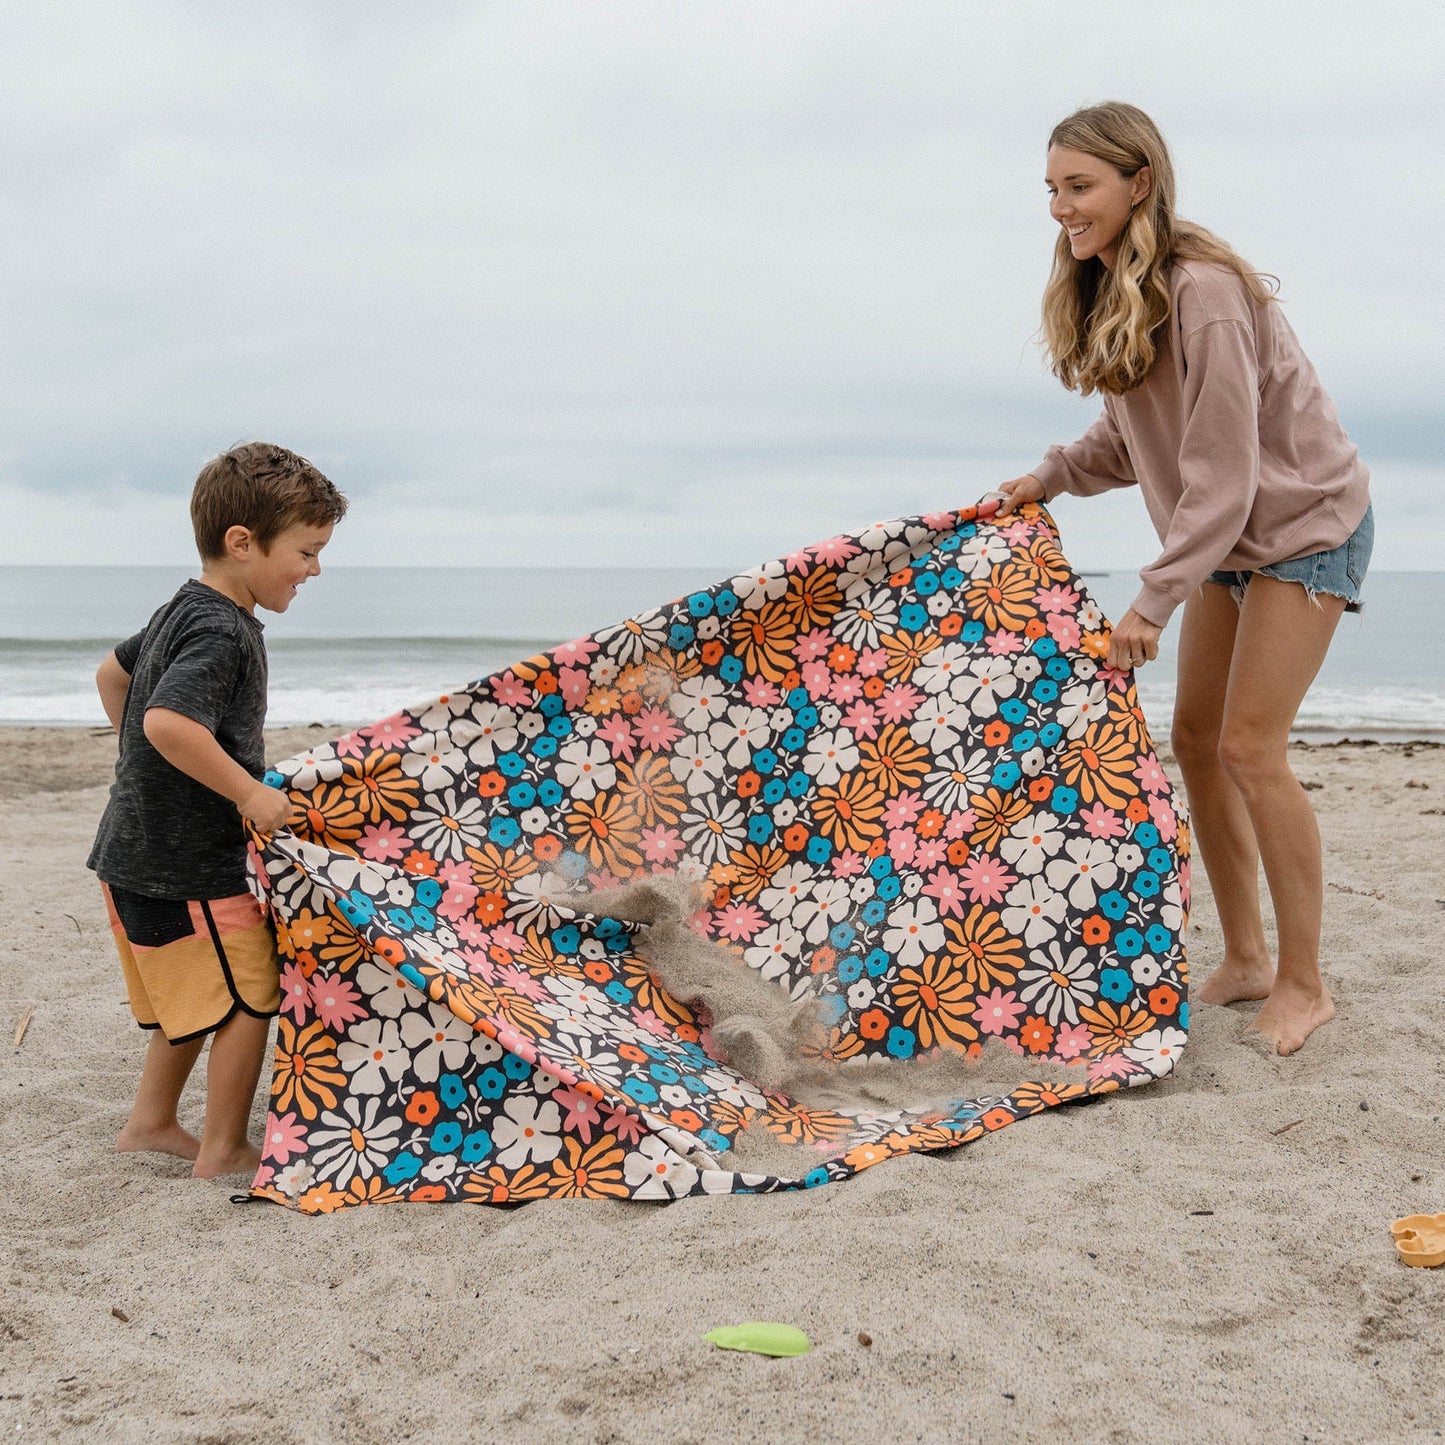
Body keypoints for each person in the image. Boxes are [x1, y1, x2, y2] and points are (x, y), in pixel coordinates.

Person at [991, 102, 1371, 1056]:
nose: (1059, 208)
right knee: (1194, 736)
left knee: (1249, 745)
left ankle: (1302, 981)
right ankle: (1244, 957)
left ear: (1139, 184)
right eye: (1051, 188)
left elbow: (1226, 471)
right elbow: (1134, 433)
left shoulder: (1201, 289)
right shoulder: (1119, 283)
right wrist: (1047, 478)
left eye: (1078, 187)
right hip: (1227, 541)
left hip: (1302, 527)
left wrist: (1150, 600)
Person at [89, 443, 348, 1175]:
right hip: (189, 862)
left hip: (133, 851)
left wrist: (148, 777)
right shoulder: (222, 629)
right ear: (243, 543)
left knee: (200, 989)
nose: (315, 569)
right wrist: (247, 790)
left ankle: (150, 1123)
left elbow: (113, 677)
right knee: (249, 994)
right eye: (306, 550)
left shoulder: (182, 607)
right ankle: (224, 1146)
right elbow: (167, 723)